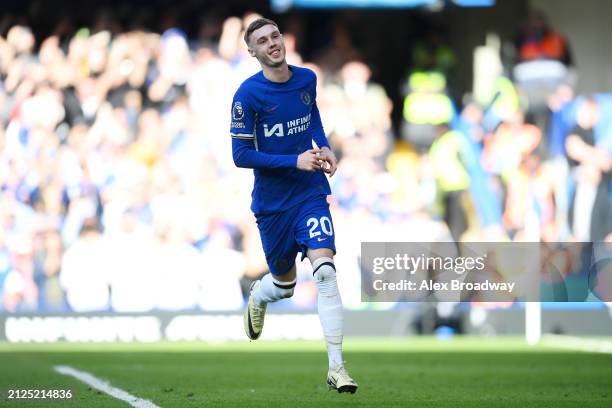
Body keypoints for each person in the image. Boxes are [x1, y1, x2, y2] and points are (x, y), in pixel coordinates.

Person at [230, 18, 358, 393]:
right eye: (262, 41)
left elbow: (312, 118)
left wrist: (323, 147)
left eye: (275, 36)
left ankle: (337, 367)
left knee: (325, 273)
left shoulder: (306, 80)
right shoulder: (247, 96)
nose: (272, 43)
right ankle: (260, 294)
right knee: (284, 285)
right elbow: (240, 154)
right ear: (252, 52)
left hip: (309, 193)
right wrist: (292, 161)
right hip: (273, 204)